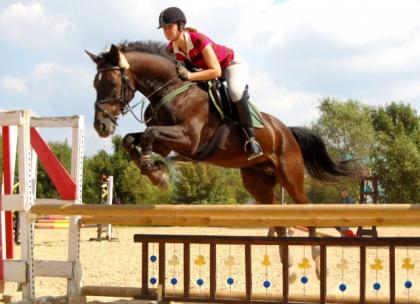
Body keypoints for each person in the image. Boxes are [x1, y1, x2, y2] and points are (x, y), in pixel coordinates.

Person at [158, 7, 263, 160]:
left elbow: (216, 71)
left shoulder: (198, 39)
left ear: (180, 26)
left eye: (169, 27)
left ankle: (251, 139)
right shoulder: (171, 49)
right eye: (164, 28)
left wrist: (190, 75)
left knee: (234, 92)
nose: (166, 31)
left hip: (229, 65)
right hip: (206, 72)